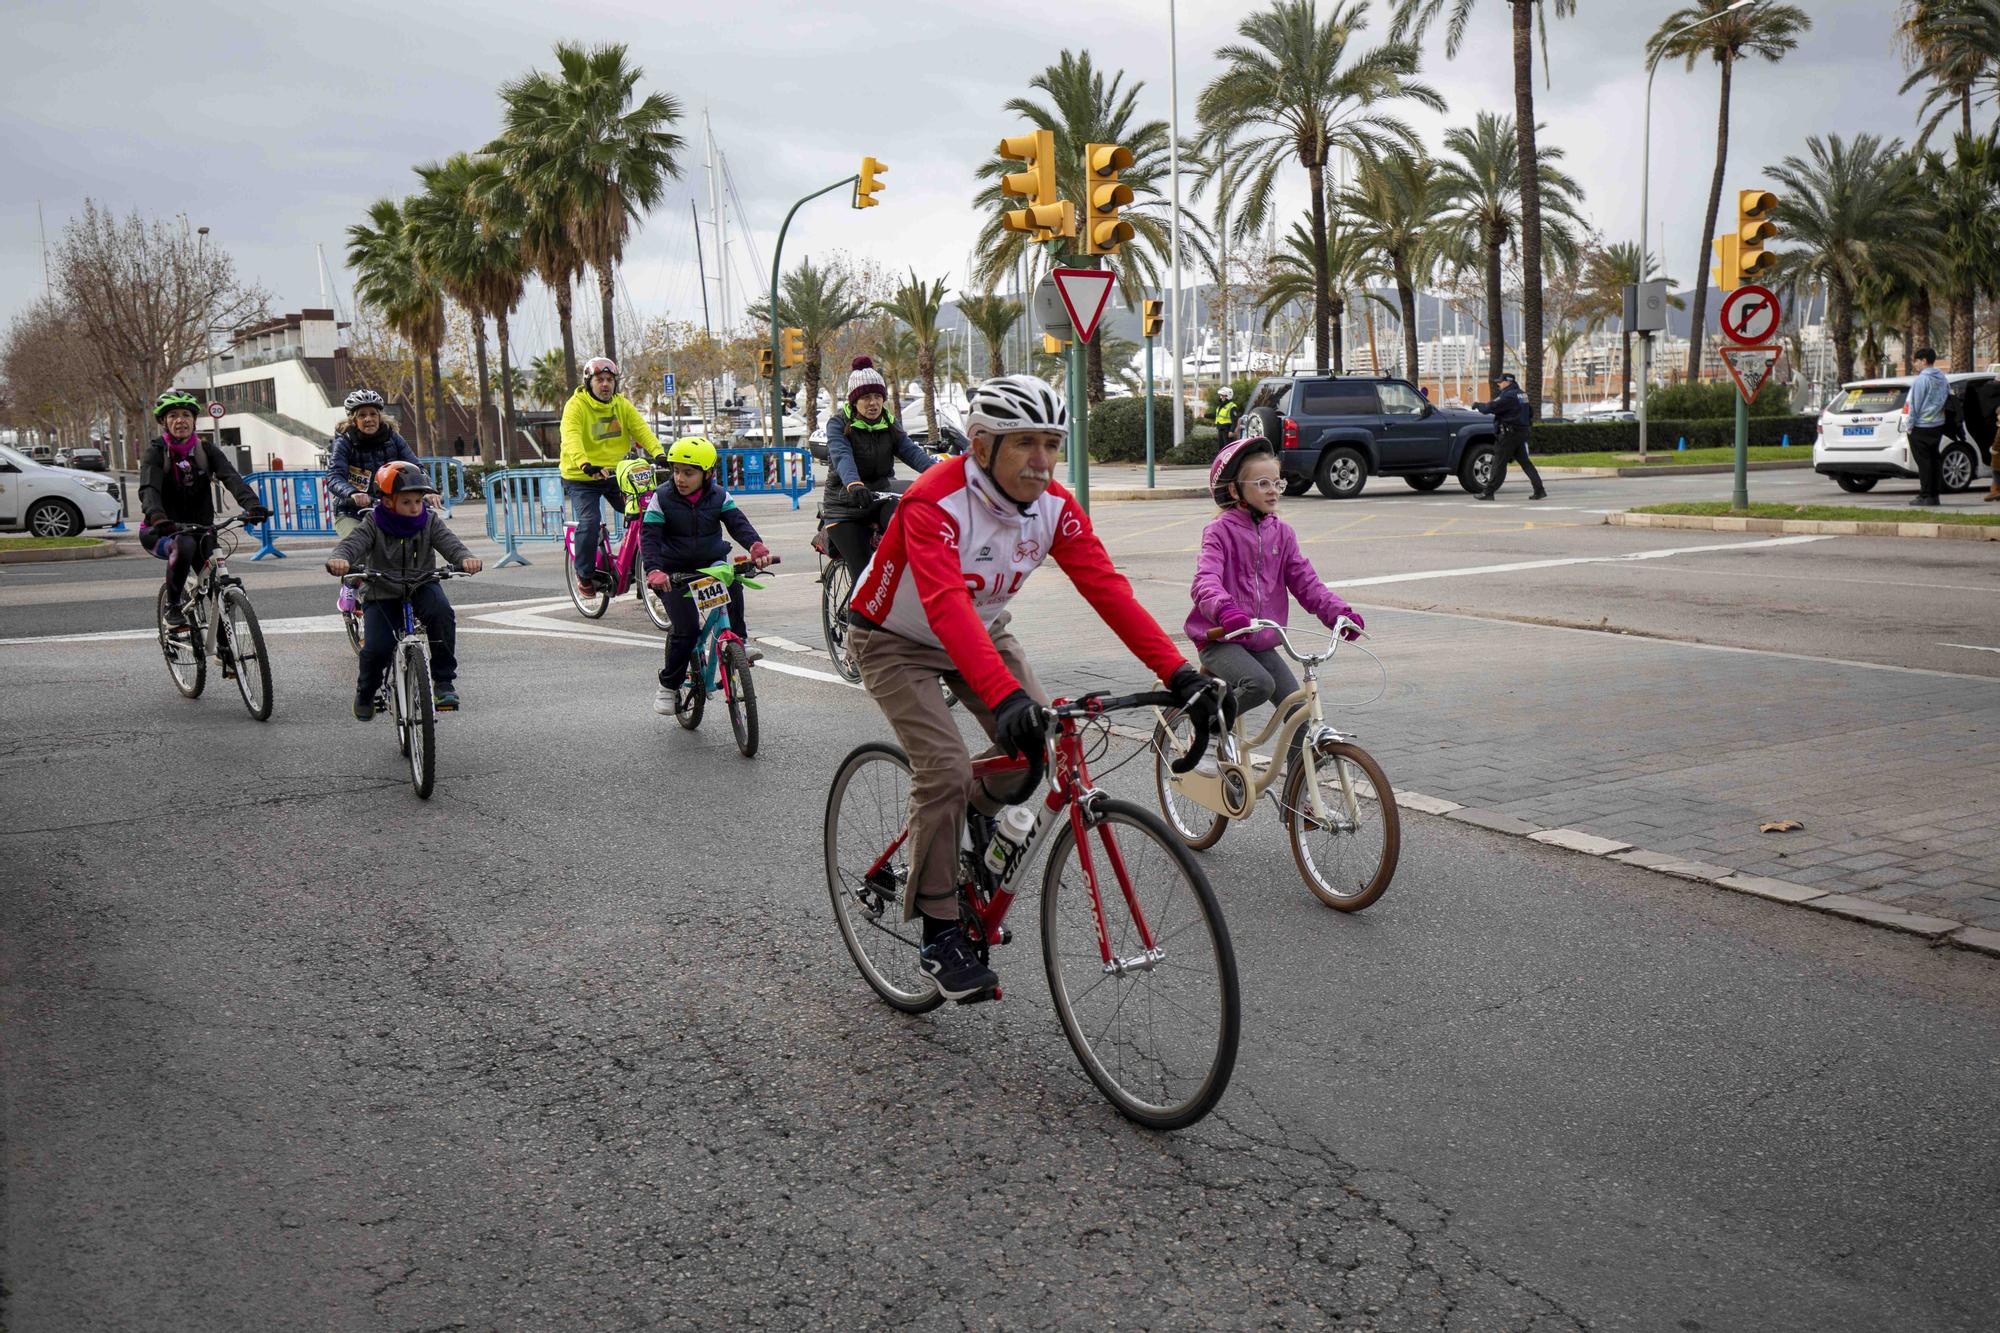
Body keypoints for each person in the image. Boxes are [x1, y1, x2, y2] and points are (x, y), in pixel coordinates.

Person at [846, 373, 1224, 1001]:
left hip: (983, 632)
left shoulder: (1054, 508)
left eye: (1052, 444)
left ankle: (967, 816)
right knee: (941, 767)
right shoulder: (933, 502)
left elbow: (1108, 591)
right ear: (980, 444)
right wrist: (1006, 697)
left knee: (1037, 747)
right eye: (1024, 444)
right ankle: (941, 929)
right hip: (893, 638)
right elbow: (943, 605)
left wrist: (1179, 674)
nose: (1042, 461)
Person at [1186, 436, 1363, 774]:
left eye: (1276, 482)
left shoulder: (1282, 534)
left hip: (1261, 639)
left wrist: (1338, 613)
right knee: (1260, 684)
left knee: (1296, 710)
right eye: (1262, 483)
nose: (1273, 490)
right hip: (1220, 637)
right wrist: (1225, 610)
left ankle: (1298, 796)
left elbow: (1306, 583)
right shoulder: (1219, 531)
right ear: (1236, 490)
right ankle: (1207, 728)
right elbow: (1204, 581)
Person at [325, 461, 481, 718]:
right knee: (377, 648)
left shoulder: (429, 521)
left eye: (418, 501)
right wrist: (340, 559)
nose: (415, 507)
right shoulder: (373, 522)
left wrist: (465, 558)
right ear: (388, 502)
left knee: (442, 613)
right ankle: (366, 691)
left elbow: (451, 544)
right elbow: (352, 545)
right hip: (382, 591)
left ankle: (443, 682)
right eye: (407, 502)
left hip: (422, 584)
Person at [640, 437, 774, 715]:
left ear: (707, 474)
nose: (680, 478)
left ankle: (740, 641)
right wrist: (654, 570)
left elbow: (738, 523)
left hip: (710, 566)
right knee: (686, 630)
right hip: (673, 574)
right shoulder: (661, 497)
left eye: (688, 473)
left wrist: (756, 546)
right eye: (676, 471)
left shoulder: (720, 496)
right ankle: (668, 687)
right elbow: (650, 537)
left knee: (732, 583)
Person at [139, 390, 270, 630]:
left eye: (186, 415)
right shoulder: (156, 452)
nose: (181, 420)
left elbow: (232, 478)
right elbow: (149, 489)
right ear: (164, 422)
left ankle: (225, 650)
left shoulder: (206, 450)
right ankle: (173, 606)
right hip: (162, 530)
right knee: (185, 545)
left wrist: (252, 504)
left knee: (215, 583)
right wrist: (157, 516)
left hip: (202, 528)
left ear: (193, 420)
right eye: (173, 416)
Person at [821, 356, 933, 581]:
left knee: (909, 531)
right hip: (845, 508)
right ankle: (857, 614)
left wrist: (943, 474)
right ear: (854, 401)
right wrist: (854, 485)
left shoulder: (889, 423)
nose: (873, 403)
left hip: (879, 498)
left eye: (877, 396)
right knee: (865, 577)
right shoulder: (838, 424)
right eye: (865, 397)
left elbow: (911, 452)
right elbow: (843, 457)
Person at [561, 356, 664, 589]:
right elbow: (571, 439)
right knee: (590, 520)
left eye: (609, 379)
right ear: (589, 382)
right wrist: (585, 464)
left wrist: (659, 453)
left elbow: (641, 430)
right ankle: (584, 575)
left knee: (648, 513)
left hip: (617, 475)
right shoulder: (575, 406)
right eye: (600, 380)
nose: (605, 384)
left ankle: (643, 562)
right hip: (582, 477)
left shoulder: (621, 405)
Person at [326, 389, 421, 536]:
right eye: (362, 415)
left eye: (372, 414)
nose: (368, 419)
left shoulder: (393, 438)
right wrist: (353, 493)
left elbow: (416, 468)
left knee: (417, 538)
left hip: (390, 508)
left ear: (379, 416)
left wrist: (427, 491)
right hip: (351, 511)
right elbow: (334, 476)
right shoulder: (344, 442)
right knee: (357, 543)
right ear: (353, 420)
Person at [1473, 372, 1546, 501]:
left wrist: (1478, 405)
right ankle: (1539, 490)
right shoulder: (1522, 394)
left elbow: (1490, 407)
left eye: (1500, 382)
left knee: (1498, 463)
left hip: (1509, 435)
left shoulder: (1508, 396)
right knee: (1525, 463)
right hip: (1520, 433)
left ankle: (1488, 492)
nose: (1498, 384)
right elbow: (1530, 412)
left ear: (1508, 382)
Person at [1906, 347, 1950, 507]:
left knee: (1924, 463)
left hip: (1921, 426)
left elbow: (1914, 405)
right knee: (1934, 461)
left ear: (1924, 361)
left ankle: (1925, 495)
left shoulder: (1921, 380)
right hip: (1937, 424)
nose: (1915, 364)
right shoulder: (1942, 378)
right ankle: (1934, 495)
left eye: (1916, 361)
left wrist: (1909, 426)